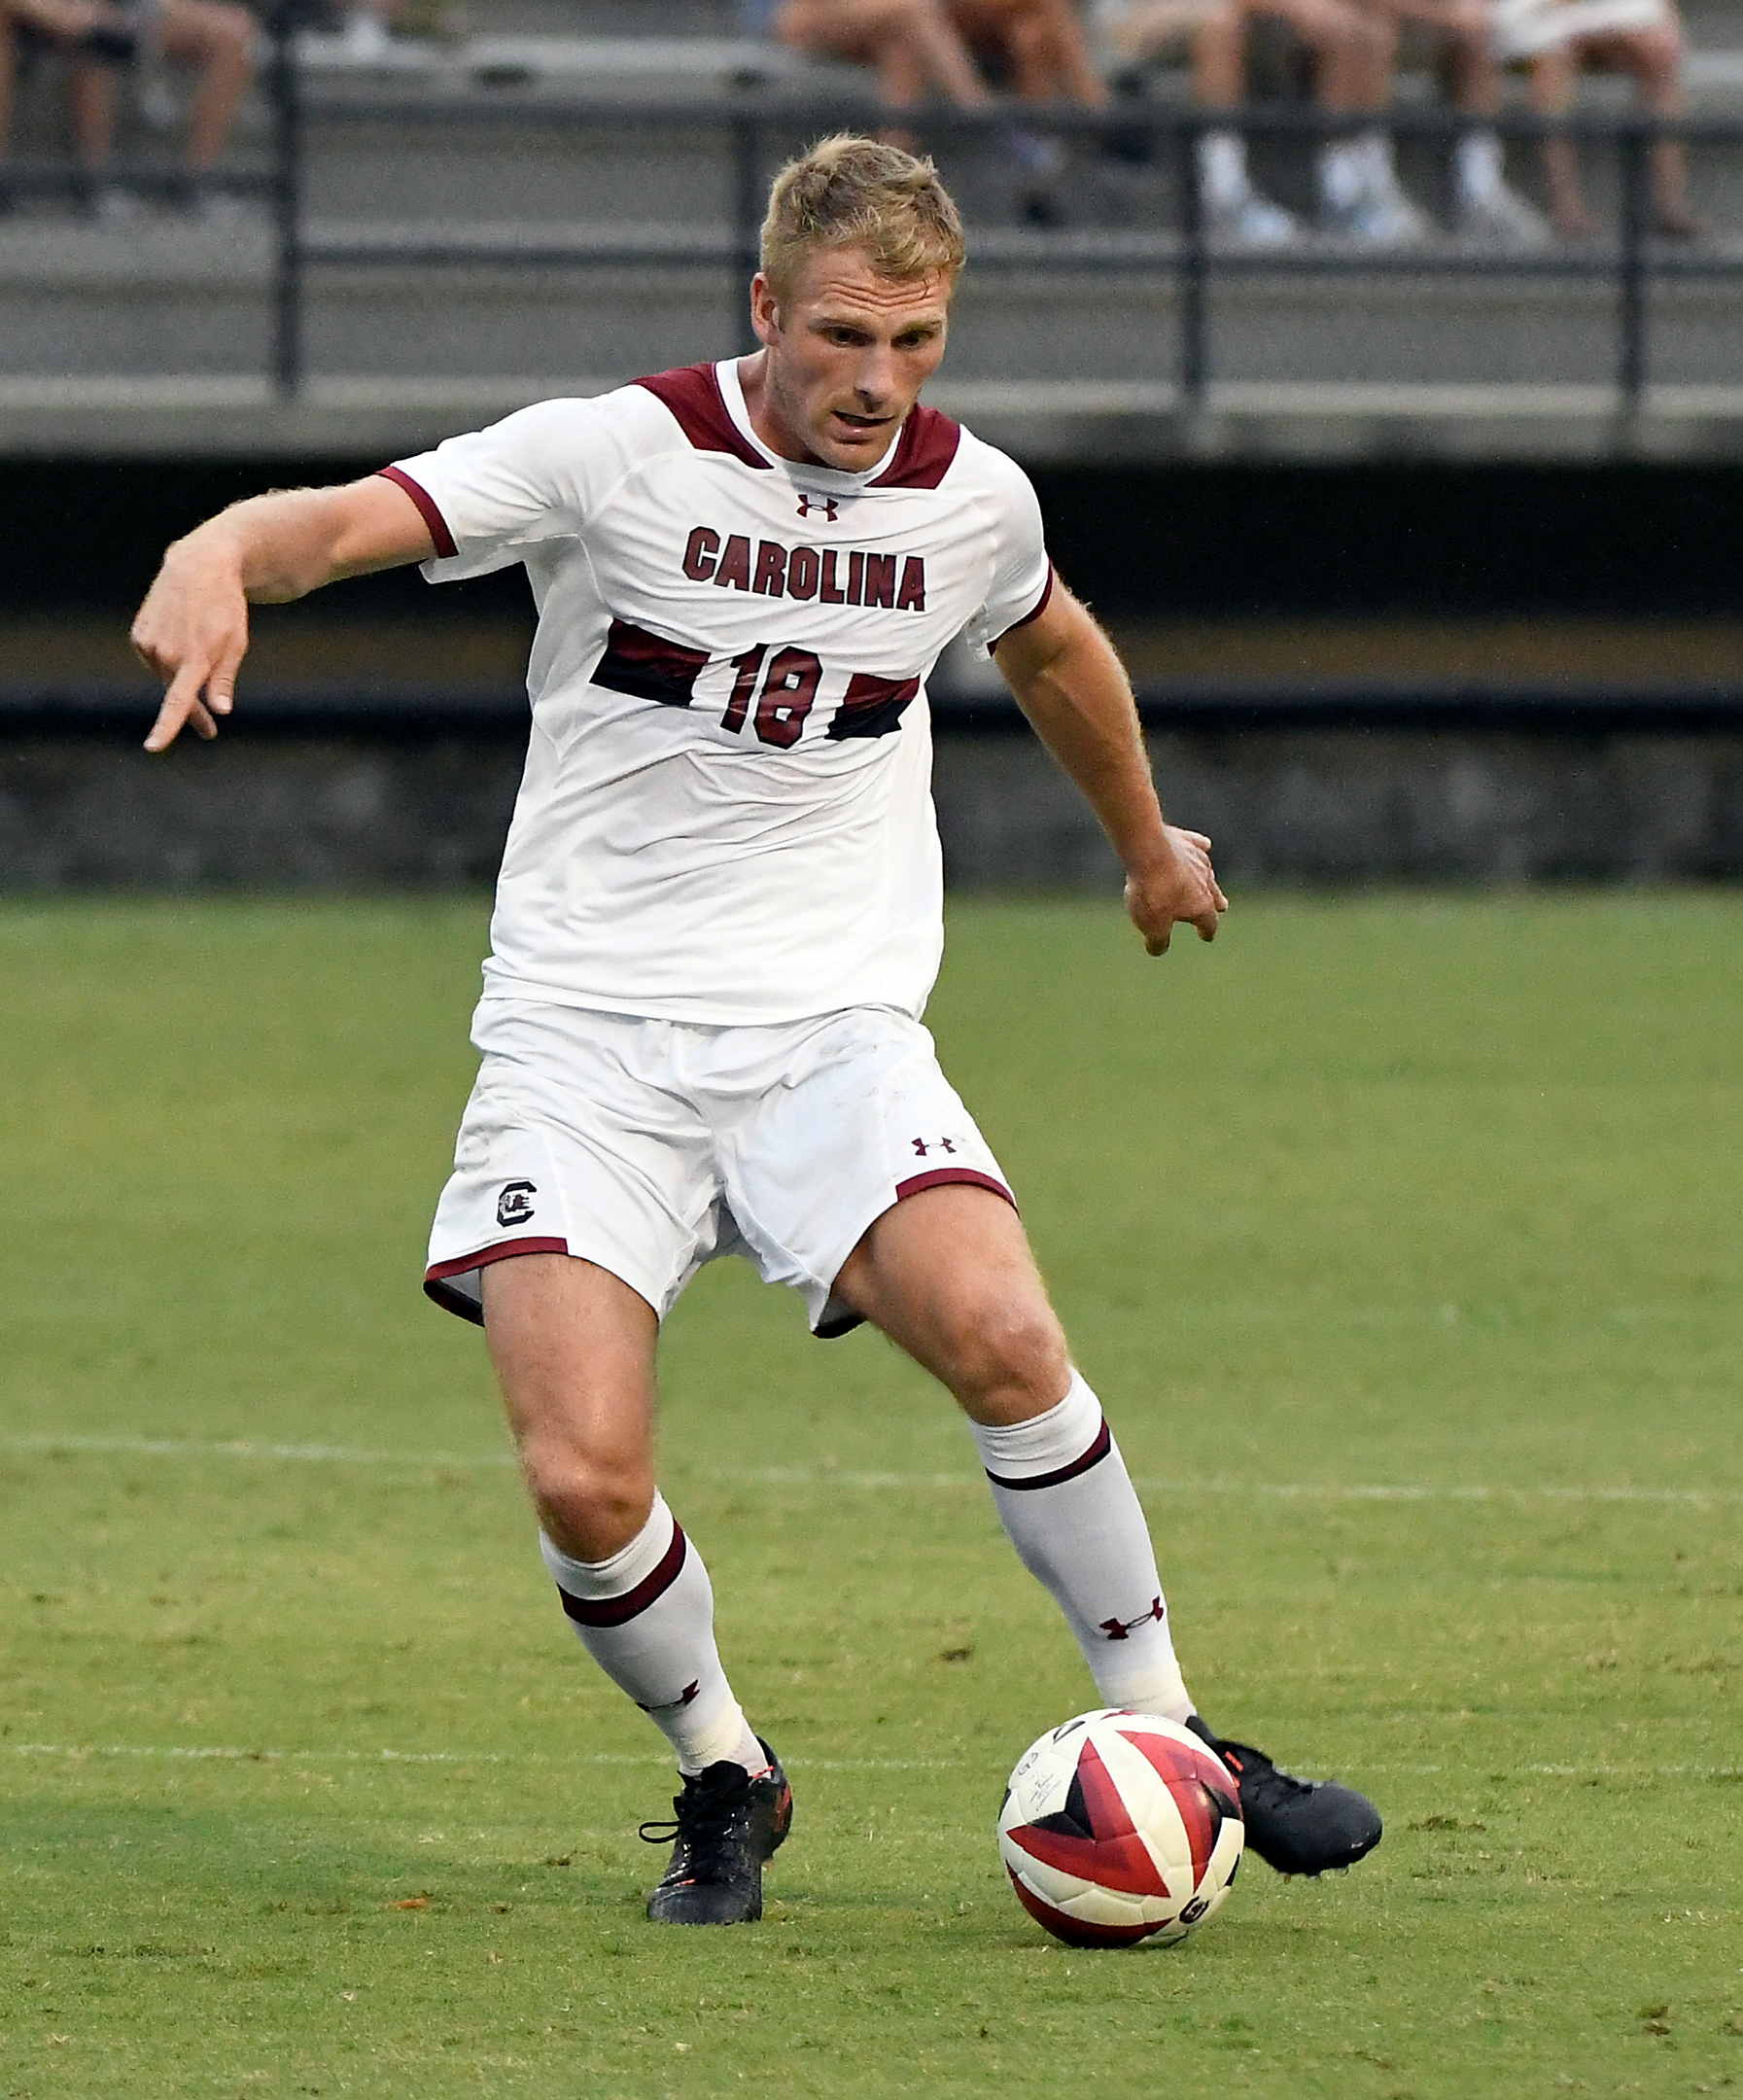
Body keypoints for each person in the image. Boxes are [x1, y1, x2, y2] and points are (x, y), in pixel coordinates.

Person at [130, 135, 1383, 1927]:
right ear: (763, 310)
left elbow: (1048, 651)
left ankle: (1174, 1738)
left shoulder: (975, 503)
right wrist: (219, 550)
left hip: (827, 1030)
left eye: (918, 342)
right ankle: (725, 1768)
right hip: (584, 1039)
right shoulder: (612, 455)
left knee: (1006, 1333)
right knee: (580, 1475)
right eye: (845, 337)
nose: (877, 382)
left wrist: (1141, 845)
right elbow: (341, 526)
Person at [760, 0, 1109, 218]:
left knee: (1029, 31)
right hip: (810, 16)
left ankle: (886, 183)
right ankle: (990, 124)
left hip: (891, 28)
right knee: (912, 11)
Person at [1094, 0, 1395, 245]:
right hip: (1140, 15)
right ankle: (1225, 194)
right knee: (1221, 24)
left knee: (1358, 30)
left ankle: (1349, 194)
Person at [0, 0, 253, 222]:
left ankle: (197, 182)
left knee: (233, 33)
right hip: (44, 14)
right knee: (96, 37)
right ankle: (94, 184)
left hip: (128, 9)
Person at [1495, 0, 1700, 237]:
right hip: (1537, 18)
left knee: (1661, 50)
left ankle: (1670, 204)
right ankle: (1566, 209)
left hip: (1601, 12)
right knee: (1551, 66)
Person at [1349, 0, 1551, 242]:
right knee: (1367, 33)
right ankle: (1358, 192)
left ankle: (1480, 189)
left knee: (1478, 37)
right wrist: (1446, 15)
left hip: (1434, 24)